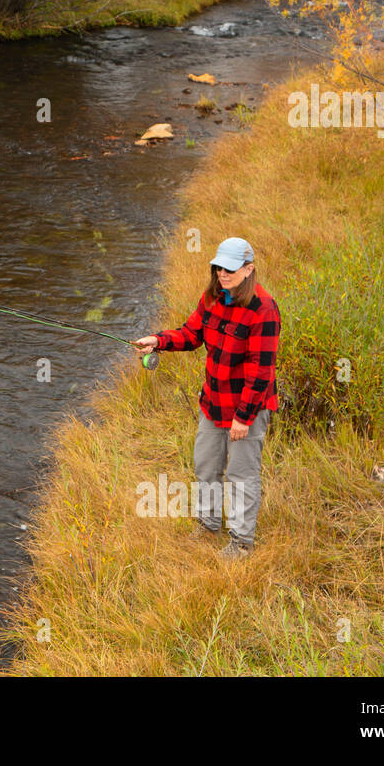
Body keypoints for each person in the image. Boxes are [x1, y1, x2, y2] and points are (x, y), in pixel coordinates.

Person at [134, 237, 281, 560]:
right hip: (212, 402)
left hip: (247, 408)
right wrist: (158, 341)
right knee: (205, 466)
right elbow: (191, 334)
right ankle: (208, 524)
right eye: (218, 267)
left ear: (248, 269)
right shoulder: (213, 297)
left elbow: (261, 371)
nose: (222, 273)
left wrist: (243, 418)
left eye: (229, 268)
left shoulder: (263, 308)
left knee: (241, 475)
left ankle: (242, 543)